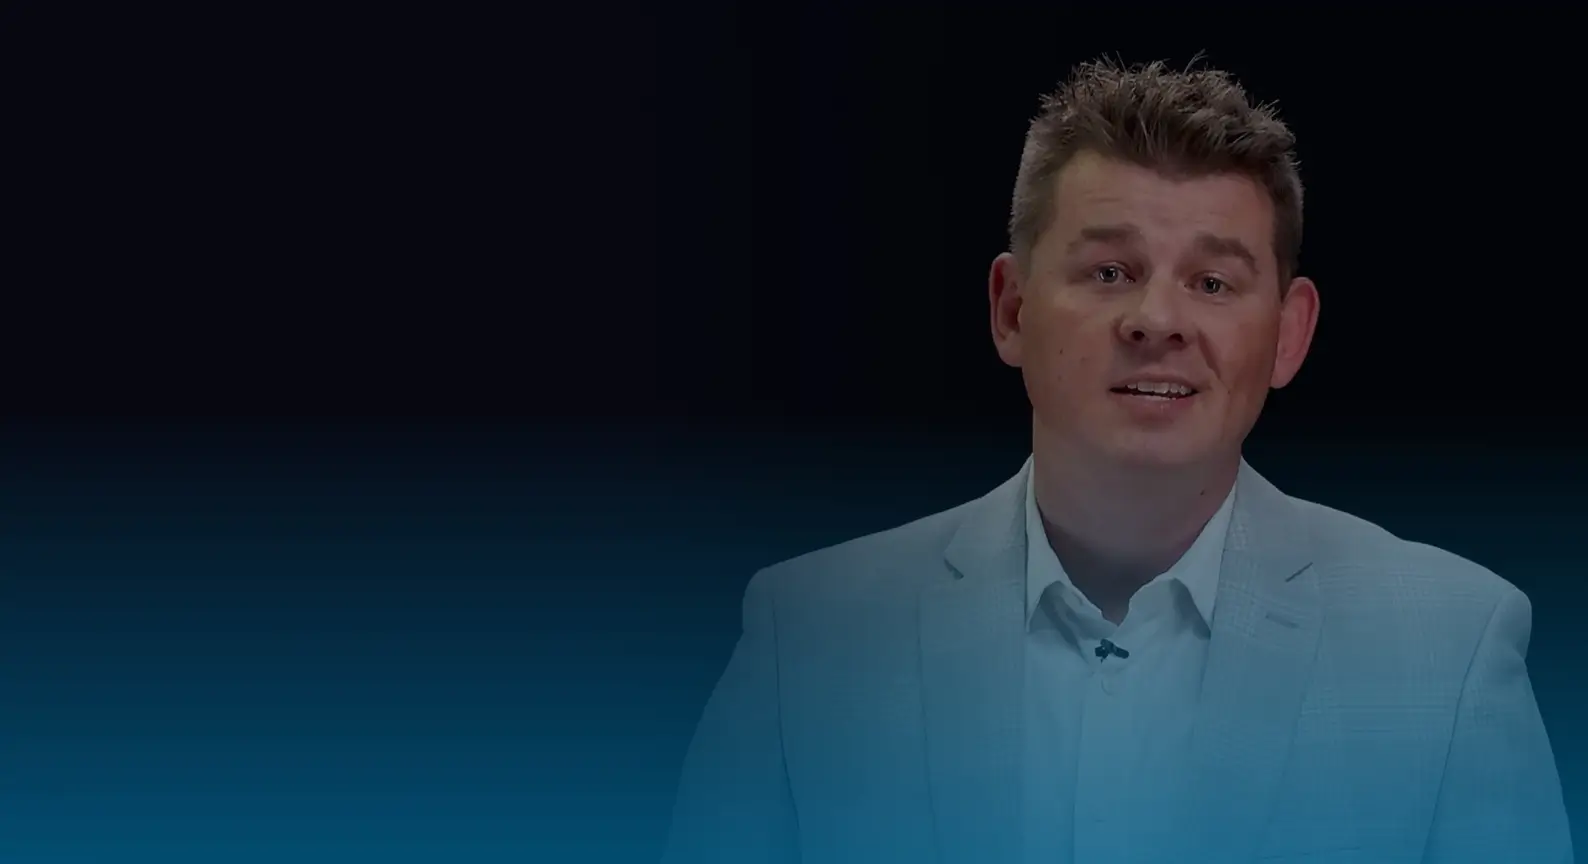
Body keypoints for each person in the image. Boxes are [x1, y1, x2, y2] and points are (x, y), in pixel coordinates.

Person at [661, 58, 1572, 864]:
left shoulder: (1452, 647)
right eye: (1110, 272)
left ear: (1290, 334)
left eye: (1212, 282)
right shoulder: (806, 640)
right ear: (1011, 310)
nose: (1157, 320)